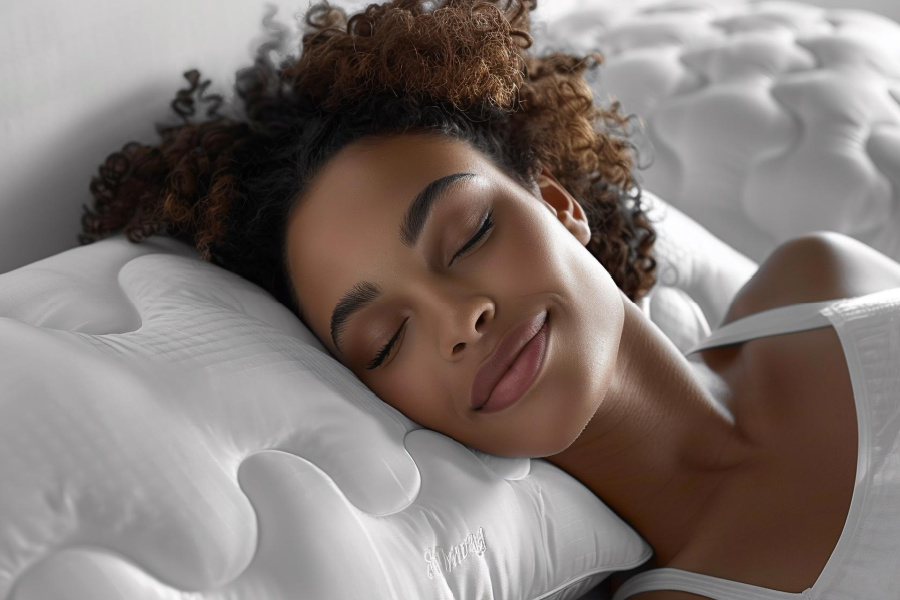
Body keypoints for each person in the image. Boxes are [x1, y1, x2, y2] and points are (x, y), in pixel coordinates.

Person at [78, 0, 900, 598]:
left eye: (468, 235)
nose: (457, 321)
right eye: (386, 337)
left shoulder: (820, 278)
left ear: (560, 203)